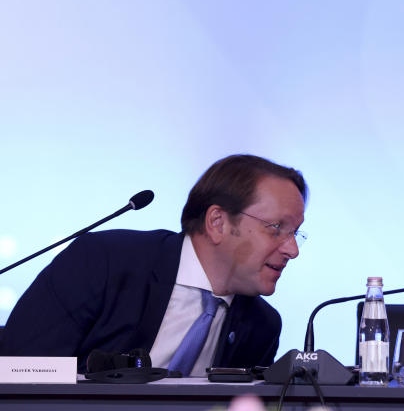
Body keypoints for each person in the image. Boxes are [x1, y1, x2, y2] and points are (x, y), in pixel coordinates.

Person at [0, 154, 307, 376]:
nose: (292, 250)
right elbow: (18, 370)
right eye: (276, 227)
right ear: (217, 222)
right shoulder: (104, 261)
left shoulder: (261, 327)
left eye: (296, 233)